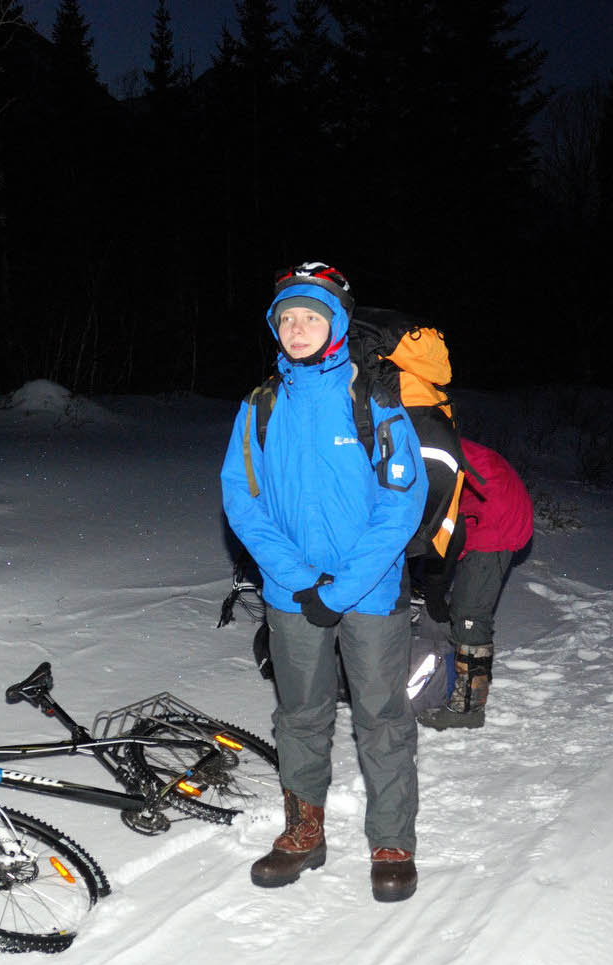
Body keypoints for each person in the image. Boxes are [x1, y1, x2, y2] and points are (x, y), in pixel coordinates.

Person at [220, 262, 428, 903]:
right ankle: (304, 833)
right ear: (275, 327)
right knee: (300, 716)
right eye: (288, 318)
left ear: (335, 324)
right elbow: (243, 501)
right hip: (290, 597)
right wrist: (295, 577)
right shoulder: (259, 407)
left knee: (382, 718)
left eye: (312, 316)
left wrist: (339, 588)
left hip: (370, 593)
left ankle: (392, 841)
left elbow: (403, 500)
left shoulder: (376, 400)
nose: (299, 328)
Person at [416, 438, 533, 731]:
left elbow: (446, 531)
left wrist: (435, 587)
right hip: (478, 512)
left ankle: (469, 707)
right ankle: (471, 678)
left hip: (494, 521)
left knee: (469, 614)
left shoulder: (417, 448)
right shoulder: (414, 438)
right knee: (460, 607)